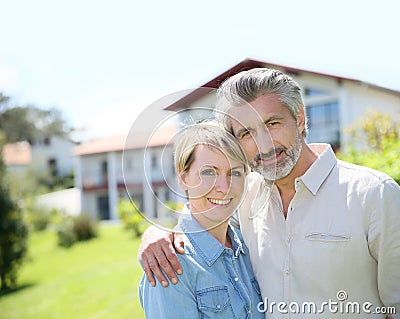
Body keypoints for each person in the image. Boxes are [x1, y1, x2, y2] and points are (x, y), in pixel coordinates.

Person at [139, 69, 400, 318]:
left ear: (299, 119)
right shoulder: (242, 195)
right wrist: (158, 234)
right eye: (247, 133)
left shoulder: (374, 195)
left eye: (272, 124)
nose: (263, 144)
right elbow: (206, 233)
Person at [139, 121, 264, 318]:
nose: (224, 186)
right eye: (208, 172)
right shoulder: (170, 264)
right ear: (183, 178)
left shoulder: (247, 247)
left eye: (235, 173)